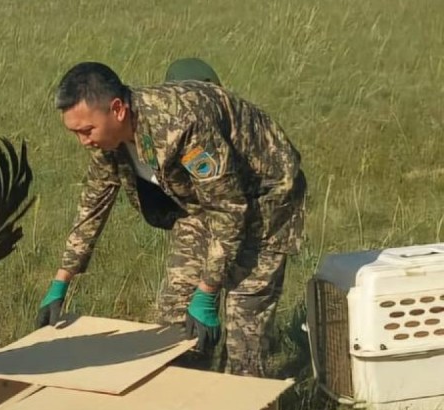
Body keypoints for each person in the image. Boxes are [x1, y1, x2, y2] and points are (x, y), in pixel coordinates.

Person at [36, 60, 306, 377]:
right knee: (175, 317)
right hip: (203, 200)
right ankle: (185, 408)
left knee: (244, 323)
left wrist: (207, 292)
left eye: (86, 130)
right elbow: (93, 203)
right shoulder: (107, 139)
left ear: (118, 109)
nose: (83, 141)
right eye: (75, 132)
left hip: (265, 198)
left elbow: (229, 208)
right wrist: (61, 281)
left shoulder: (182, 125)